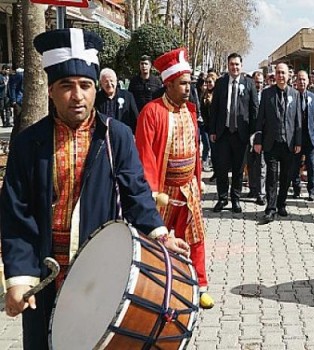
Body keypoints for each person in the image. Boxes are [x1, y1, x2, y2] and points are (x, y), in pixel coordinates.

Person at [1, 28, 190, 350]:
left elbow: (136, 195)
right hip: (44, 274)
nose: (77, 96)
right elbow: (16, 215)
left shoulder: (115, 136)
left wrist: (161, 236)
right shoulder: (27, 143)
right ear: (50, 91)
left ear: (95, 90)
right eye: (66, 86)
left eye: (85, 86)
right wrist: (18, 279)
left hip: (100, 271)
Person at [135, 48, 214, 309]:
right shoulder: (152, 112)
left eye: (190, 83)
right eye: (183, 84)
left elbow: (194, 149)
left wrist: (197, 180)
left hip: (188, 188)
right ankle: (156, 288)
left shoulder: (189, 111)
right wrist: (152, 192)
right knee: (158, 240)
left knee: (195, 236)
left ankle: (199, 284)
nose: (188, 89)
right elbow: (145, 156)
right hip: (163, 190)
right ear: (168, 84)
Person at [210, 53, 259, 214]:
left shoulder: (249, 84)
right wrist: (212, 130)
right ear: (228, 66)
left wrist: (254, 134)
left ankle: (235, 199)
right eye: (232, 64)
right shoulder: (220, 83)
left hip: (241, 134)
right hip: (223, 133)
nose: (234, 67)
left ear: (241, 66)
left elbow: (254, 111)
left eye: (237, 64)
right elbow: (214, 109)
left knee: (238, 169)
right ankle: (222, 198)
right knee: (222, 168)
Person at [253, 63, 302, 224]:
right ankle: (271, 208)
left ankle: (282, 203)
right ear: (275, 75)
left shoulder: (295, 94)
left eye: (283, 73)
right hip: (271, 143)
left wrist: (298, 141)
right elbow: (260, 119)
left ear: (289, 76)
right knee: (271, 177)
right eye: (278, 73)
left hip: (288, 143)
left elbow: (297, 120)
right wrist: (258, 140)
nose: (281, 76)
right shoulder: (267, 94)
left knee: (286, 176)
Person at [291, 70, 314, 201]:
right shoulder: (291, 96)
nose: (302, 82)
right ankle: (296, 189)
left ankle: (312, 190)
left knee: (311, 165)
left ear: (308, 82)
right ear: (295, 81)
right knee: (295, 165)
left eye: (304, 79)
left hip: (310, 138)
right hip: (296, 137)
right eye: (299, 79)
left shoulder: (312, 97)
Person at [95, 68, 139, 133]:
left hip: (123, 135)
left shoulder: (127, 96)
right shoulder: (96, 98)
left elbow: (135, 118)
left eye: (111, 81)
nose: (109, 84)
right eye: (106, 81)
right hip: (103, 137)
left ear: (116, 81)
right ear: (101, 83)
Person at [246, 70, 267, 205]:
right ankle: (253, 188)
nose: (258, 85)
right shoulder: (247, 95)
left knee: (261, 164)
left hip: (262, 135)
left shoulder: (266, 95)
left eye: (260, 82)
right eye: (256, 82)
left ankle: (261, 193)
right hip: (248, 133)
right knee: (251, 163)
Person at [199, 72, 217, 172]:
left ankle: (217, 169)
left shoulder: (218, 93)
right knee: (210, 147)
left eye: (210, 82)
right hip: (207, 126)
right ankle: (213, 168)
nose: (208, 84)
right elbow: (203, 110)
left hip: (217, 127)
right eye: (207, 82)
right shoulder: (204, 95)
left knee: (216, 150)